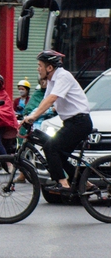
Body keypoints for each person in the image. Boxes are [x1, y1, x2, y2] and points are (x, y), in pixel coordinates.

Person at [23, 51, 93, 193]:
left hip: (80, 122)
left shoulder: (63, 76)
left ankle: (63, 184)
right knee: (59, 155)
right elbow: (45, 101)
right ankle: (86, 184)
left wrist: (34, 117)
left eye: (40, 65)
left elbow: (52, 99)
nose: (38, 69)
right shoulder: (51, 80)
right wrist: (27, 117)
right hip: (71, 123)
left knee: (51, 147)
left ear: (49, 68)